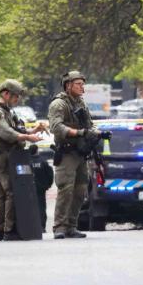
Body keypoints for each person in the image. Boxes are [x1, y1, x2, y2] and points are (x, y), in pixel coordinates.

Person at [0, 80, 44, 241]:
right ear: (6, 93)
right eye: (15, 96)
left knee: (3, 192)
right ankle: (9, 230)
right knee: (10, 190)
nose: (18, 99)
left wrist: (34, 130)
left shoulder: (7, 111)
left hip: (10, 154)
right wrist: (28, 137)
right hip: (2, 155)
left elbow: (18, 129)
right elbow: (7, 133)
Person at [48, 70, 104, 239]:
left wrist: (96, 133)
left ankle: (71, 226)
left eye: (82, 84)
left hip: (81, 154)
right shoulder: (59, 104)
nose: (82, 87)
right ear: (68, 85)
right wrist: (78, 133)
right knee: (66, 189)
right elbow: (56, 127)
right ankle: (59, 226)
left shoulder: (81, 103)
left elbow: (90, 124)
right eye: (78, 84)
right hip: (66, 153)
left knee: (80, 190)